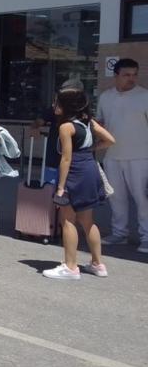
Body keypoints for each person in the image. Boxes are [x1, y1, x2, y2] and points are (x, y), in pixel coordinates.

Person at [43, 87, 115, 280]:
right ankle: (98, 264)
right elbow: (110, 140)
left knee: (67, 220)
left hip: (74, 172)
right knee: (87, 220)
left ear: (66, 106)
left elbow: (65, 158)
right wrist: (92, 148)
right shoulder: (88, 122)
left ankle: (70, 266)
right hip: (90, 168)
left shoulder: (66, 127)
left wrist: (60, 187)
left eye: (57, 102)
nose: (54, 105)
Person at [96, 58, 148, 253]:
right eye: (126, 75)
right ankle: (120, 233)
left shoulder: (145, 96)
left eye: (134, 75)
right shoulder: (105, 97)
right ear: (116, 75)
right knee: (116, 197)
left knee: (143, 199)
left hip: (141, 157)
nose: (131, 79)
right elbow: (100, 123)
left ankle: (147, 236)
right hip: (112, 156)